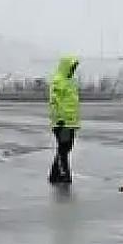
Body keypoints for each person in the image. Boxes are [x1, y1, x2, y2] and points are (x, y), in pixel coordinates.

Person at [48, 56, 81, 185]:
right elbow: (54, 102)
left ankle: (54, 174)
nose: (73, 70)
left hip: (70, 122)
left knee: (66, 148)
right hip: (63, 122)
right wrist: (59, 118)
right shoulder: (58, 81)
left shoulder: (71, 82)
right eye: (72, 67)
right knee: (64, 148)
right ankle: (64, 174)